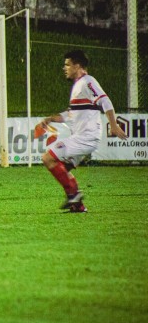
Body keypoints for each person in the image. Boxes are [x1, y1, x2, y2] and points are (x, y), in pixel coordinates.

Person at [37, 49, 127, 213]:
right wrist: (50, 119)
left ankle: (74, 195)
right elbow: (70, 114)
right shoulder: (78, 86)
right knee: (61, 167)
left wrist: (113, 125)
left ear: (77, 66)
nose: (65, 68)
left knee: (48, 157)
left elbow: (105, 101)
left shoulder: (88, 81)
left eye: (67, 65)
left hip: (86, 137)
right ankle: (78, 205)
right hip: (83, 137)